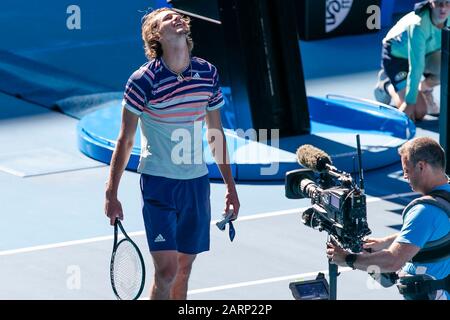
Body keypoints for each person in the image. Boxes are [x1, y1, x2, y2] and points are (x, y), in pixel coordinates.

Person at [104, 7, 240, 300]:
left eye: (177, 16)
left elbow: (215, 134)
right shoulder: (142, 81)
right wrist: (110, 193)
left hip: (196, 183)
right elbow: (125, 140)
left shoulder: (207, 73)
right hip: (159, 182)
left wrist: (230, 186)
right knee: (166, 272)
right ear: (156, 36)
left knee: (183, 270)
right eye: (166, 19)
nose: (176, 18)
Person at [327, 137, 449, 300]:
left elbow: (393, 262)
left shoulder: (424, 211)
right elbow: (434, 231)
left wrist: (347, 259)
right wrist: (386, 242)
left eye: (406, 170)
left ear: (421, 166)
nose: (405, 176)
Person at [374, 0, 450, 121]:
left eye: (447, 3)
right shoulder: (418, 25)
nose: (443, 8)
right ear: (431, 3)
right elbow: (417, 66)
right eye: (439, 3)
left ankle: (424, 89)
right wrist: (409, 102)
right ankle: (387, 85)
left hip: (427, 52)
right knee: (418, 112)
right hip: (396, 57)